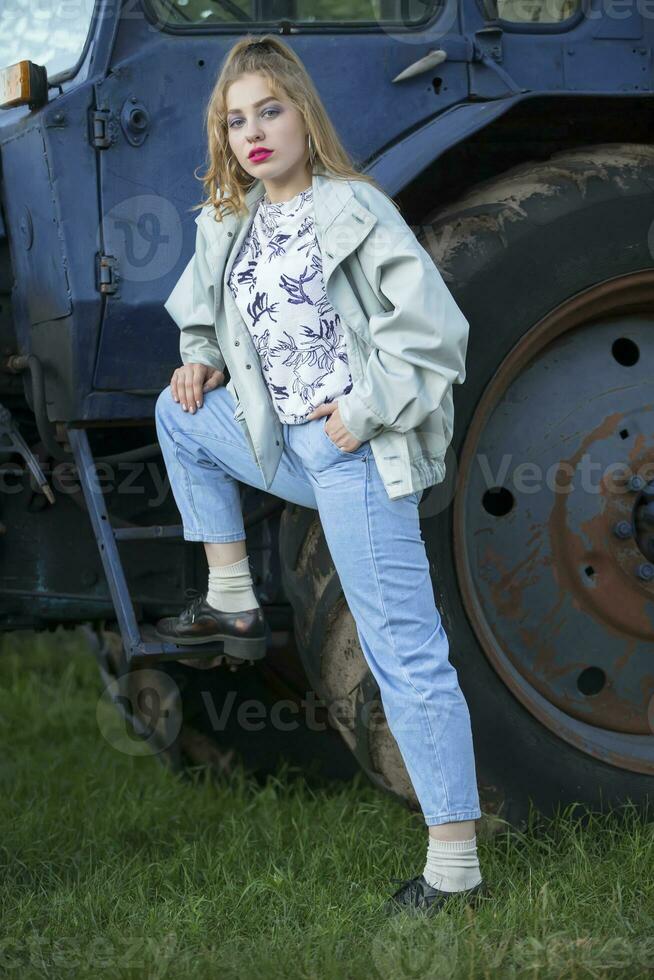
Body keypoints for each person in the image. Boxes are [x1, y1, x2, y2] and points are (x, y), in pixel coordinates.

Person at [154, 34, 488, 916]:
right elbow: (203, 311)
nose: (254, 132)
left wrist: (364, 407)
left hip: (353, 451)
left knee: (402, 654)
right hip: (282, 440)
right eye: (235, 121)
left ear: (303, 113)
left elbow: (436, 332)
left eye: (270, 110)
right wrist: (201, 363)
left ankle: (455, 869)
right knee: (175, 412)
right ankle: (232, 596)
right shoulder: (233, 222)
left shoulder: (352, 210)